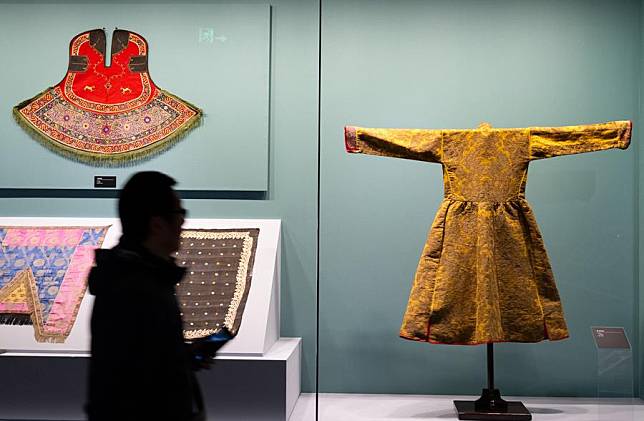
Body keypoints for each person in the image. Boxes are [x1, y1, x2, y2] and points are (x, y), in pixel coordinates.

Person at [86, 171, 205, 421]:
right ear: (157, 224)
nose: (183, 223)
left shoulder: (138, 277)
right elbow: (131, 381)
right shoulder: (135, 287)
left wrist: (186, 356)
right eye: (179, 215)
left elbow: (150, 357)